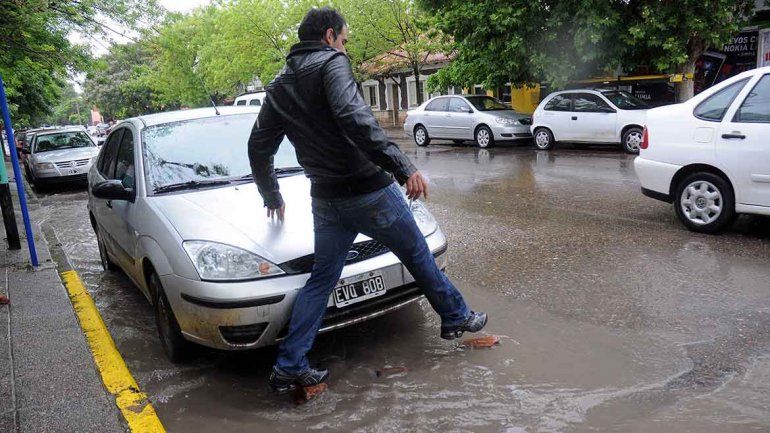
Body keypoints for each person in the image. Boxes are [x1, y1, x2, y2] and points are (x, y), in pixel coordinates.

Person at [248, 7, 488, 394]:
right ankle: (457, 317)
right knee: (417, 254)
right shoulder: (332, 64)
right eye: (343, 39)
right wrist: (402, 167)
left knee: (321, 280)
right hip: (369, 190)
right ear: (329, 36)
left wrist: (271, 193)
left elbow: (259, 146)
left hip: (325, 199)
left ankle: (290, 364)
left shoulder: (278, 86)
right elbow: (355, 119)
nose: (345, 47)